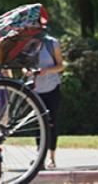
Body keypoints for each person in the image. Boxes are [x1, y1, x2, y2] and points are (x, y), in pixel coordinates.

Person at [32, 35, 64, 169]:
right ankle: (40, 159)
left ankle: (52, 158)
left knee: (52, 123)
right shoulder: (28, 43)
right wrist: (29, 72)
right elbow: (24, 66)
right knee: (39, 125)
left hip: (52, 88)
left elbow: (61, 66)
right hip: (36, 90)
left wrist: (47, 71)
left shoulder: (52, 43)